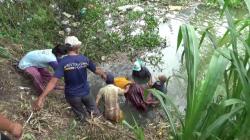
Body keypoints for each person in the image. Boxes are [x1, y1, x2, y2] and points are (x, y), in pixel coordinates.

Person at [33, 36, 105, 121]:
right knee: (96, 114)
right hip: (86, 93)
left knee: (81, 116)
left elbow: (53, 82)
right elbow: (96, 71)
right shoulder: (84, 59)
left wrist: (41, 97)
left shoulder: (63, 62)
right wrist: (103, 74)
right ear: (77, 47)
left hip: (72, 96)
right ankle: (98, 123)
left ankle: (85, 122)